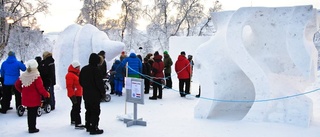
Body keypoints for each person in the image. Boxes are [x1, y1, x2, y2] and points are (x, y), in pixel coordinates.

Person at [14, 59, 50, 133]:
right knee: (33, 113)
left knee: (29, 112)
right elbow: (40, 88)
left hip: (26, 98)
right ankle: (32, 128)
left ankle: (30, 126)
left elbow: (17, 84)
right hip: (34, 98)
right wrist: (46, 94)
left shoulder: (24, 75)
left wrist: (22, 91)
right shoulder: (36, 76)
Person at [79, 53, 104, 135]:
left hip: (86, 93)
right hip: (95, 94)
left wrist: (86, 87)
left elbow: (80, 81)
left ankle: (88, 125)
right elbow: (99, 83)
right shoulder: (96, 70)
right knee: (95, 111)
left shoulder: (84, 69)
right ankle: (94, 127)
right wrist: (102, 92)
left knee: (88, 110)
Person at [65, 61, 86, 129]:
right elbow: (69, 86)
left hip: (78, 93)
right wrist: (72, 95)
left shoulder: (76, 73)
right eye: (78, 67)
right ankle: (78, 123)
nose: (79, 68)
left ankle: (73, 120)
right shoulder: (70, 75)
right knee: (77, 108)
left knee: (75, 107)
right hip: (75, 94)